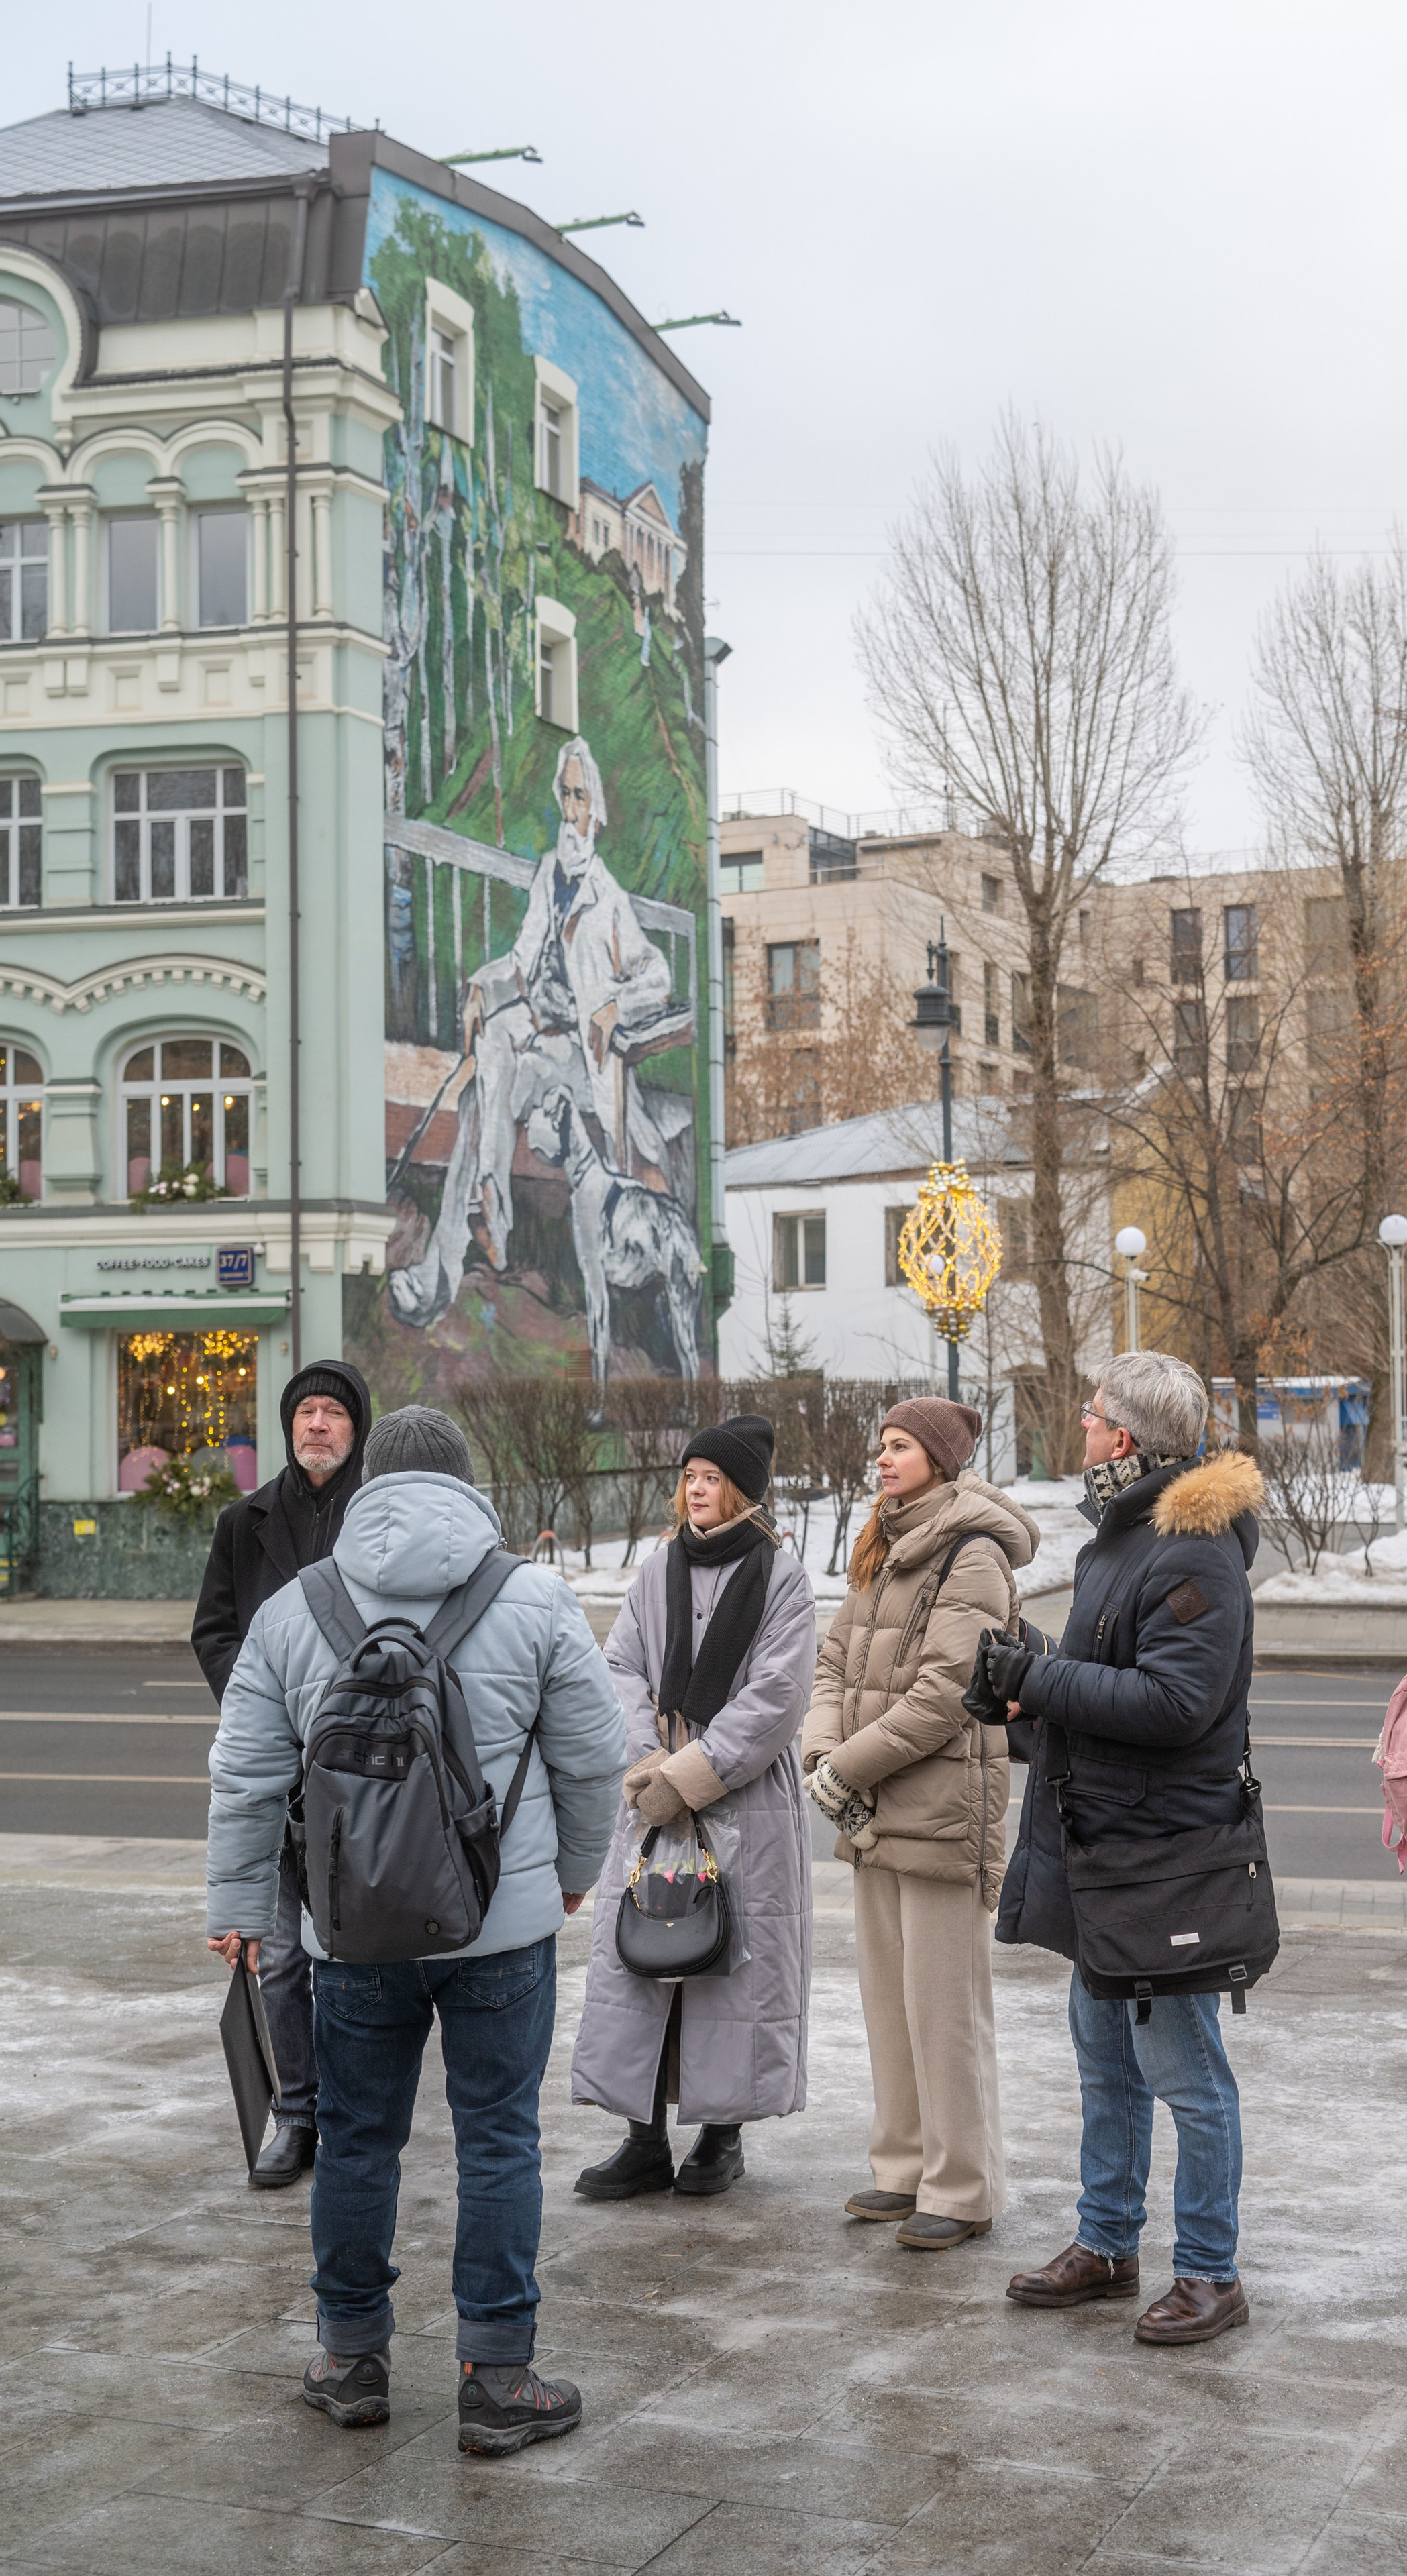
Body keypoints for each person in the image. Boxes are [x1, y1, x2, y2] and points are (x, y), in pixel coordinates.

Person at [205, 1404, 627, 2457]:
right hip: (499, 1930)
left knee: (355, 2139)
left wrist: (242, 1912)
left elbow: (246, 1781)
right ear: (467, 1486)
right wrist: (572, 1878)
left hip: (350, 1935)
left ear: (366, 1489)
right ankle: (497, 2377)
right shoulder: (531, 1597)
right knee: (497, 2137)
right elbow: (592, 1759)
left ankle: (350, 2357)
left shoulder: (297, 1610)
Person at [987, 1352, 1264, 2346]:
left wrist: (1045, 1681)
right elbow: (1111, 1681)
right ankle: (1106, 2244)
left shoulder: (1191, 1546)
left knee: (1186, 2076)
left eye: (1092, 1413)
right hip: (1101, 1849)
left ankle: (1210, 2272)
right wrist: (1027, 1684)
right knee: (1105, 2065)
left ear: (1127, 1439)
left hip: (1162, 1862)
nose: (1081, 1427)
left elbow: (1176, 1702)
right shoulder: (1125, 1537)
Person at [802, 1399, 1038, 2250]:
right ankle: (902, 2168)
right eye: (882, 1445)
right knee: (887, 2003)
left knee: (944, 2010)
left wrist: (843, 1767)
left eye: (899, 1447)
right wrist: (822, 1748)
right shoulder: (886, 1541)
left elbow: (945, 1695)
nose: (882, 1459)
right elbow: (833, 1658)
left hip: (935, 1809)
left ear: (939, 1459)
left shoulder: (971, 1556)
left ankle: (962, 2186)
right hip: (871, 1807)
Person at [388, 735, 698, 1379]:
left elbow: (659, 977)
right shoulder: (549, 875)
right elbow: (522, 960)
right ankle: (488, 1209)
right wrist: (481, 987)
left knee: (492, 1081)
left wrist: (614, 1004)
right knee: (486, 1072)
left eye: (580, 796)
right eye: (565, 793)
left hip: (584, 1061)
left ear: (598, 809)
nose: (570, 806)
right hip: (542, 1042)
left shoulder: (608, 899)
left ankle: (458, 1247)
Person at [570, 1413, 817, 2196]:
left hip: (740, 1800)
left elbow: (777, 1695)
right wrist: (650, 1765)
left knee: (728, 1970)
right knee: (644, 1959)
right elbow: (621, 1669)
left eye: (712, 1477)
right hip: (652, 1795)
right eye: (690, 1477)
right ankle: (641, 2136)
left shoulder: (782, 1576)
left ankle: (721, 2136)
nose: (697, 1489)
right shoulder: (656, 1569)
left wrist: (691, 1775)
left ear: (741, 1489)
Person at [192, 1358, 371, 2186]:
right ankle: (297, 2117)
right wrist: (262, 1706)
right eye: (304, 1413)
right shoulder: (245, 1521)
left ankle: (365, 2109)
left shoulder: (379, 1515)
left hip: (369, 1780)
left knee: (363, 1953)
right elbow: (216, 1630)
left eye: (332, 1412)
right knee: (283, 1958)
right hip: (278, 1782)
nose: (316, 1425)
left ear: (355, 1427)